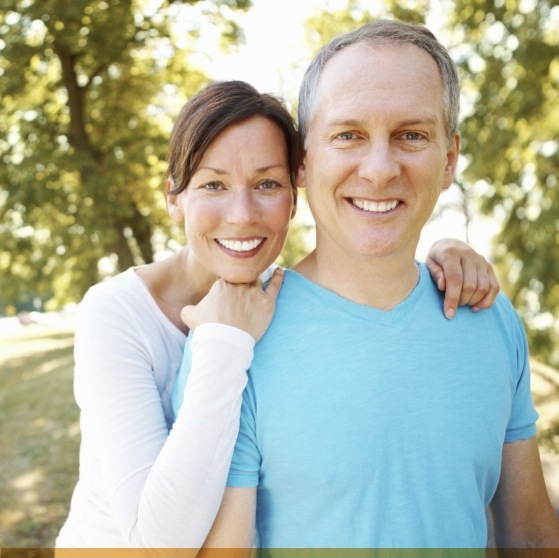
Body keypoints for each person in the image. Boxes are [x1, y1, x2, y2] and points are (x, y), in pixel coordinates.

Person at [55, 79, 498, 549]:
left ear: (295, 195)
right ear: (174, 198)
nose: (242, 214)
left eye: (267, 184)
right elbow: (158, 544)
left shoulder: (280, 300)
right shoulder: (115, 314)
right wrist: (224, 343)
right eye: (213, 185)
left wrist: (445, 250)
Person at [194, 21, 559, 551]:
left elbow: (529, 536)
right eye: (349, 135)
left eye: (411, 135)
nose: (380, 169)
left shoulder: (490, 317)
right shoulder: (235, 343)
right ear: (302, 159)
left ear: (450, 158)